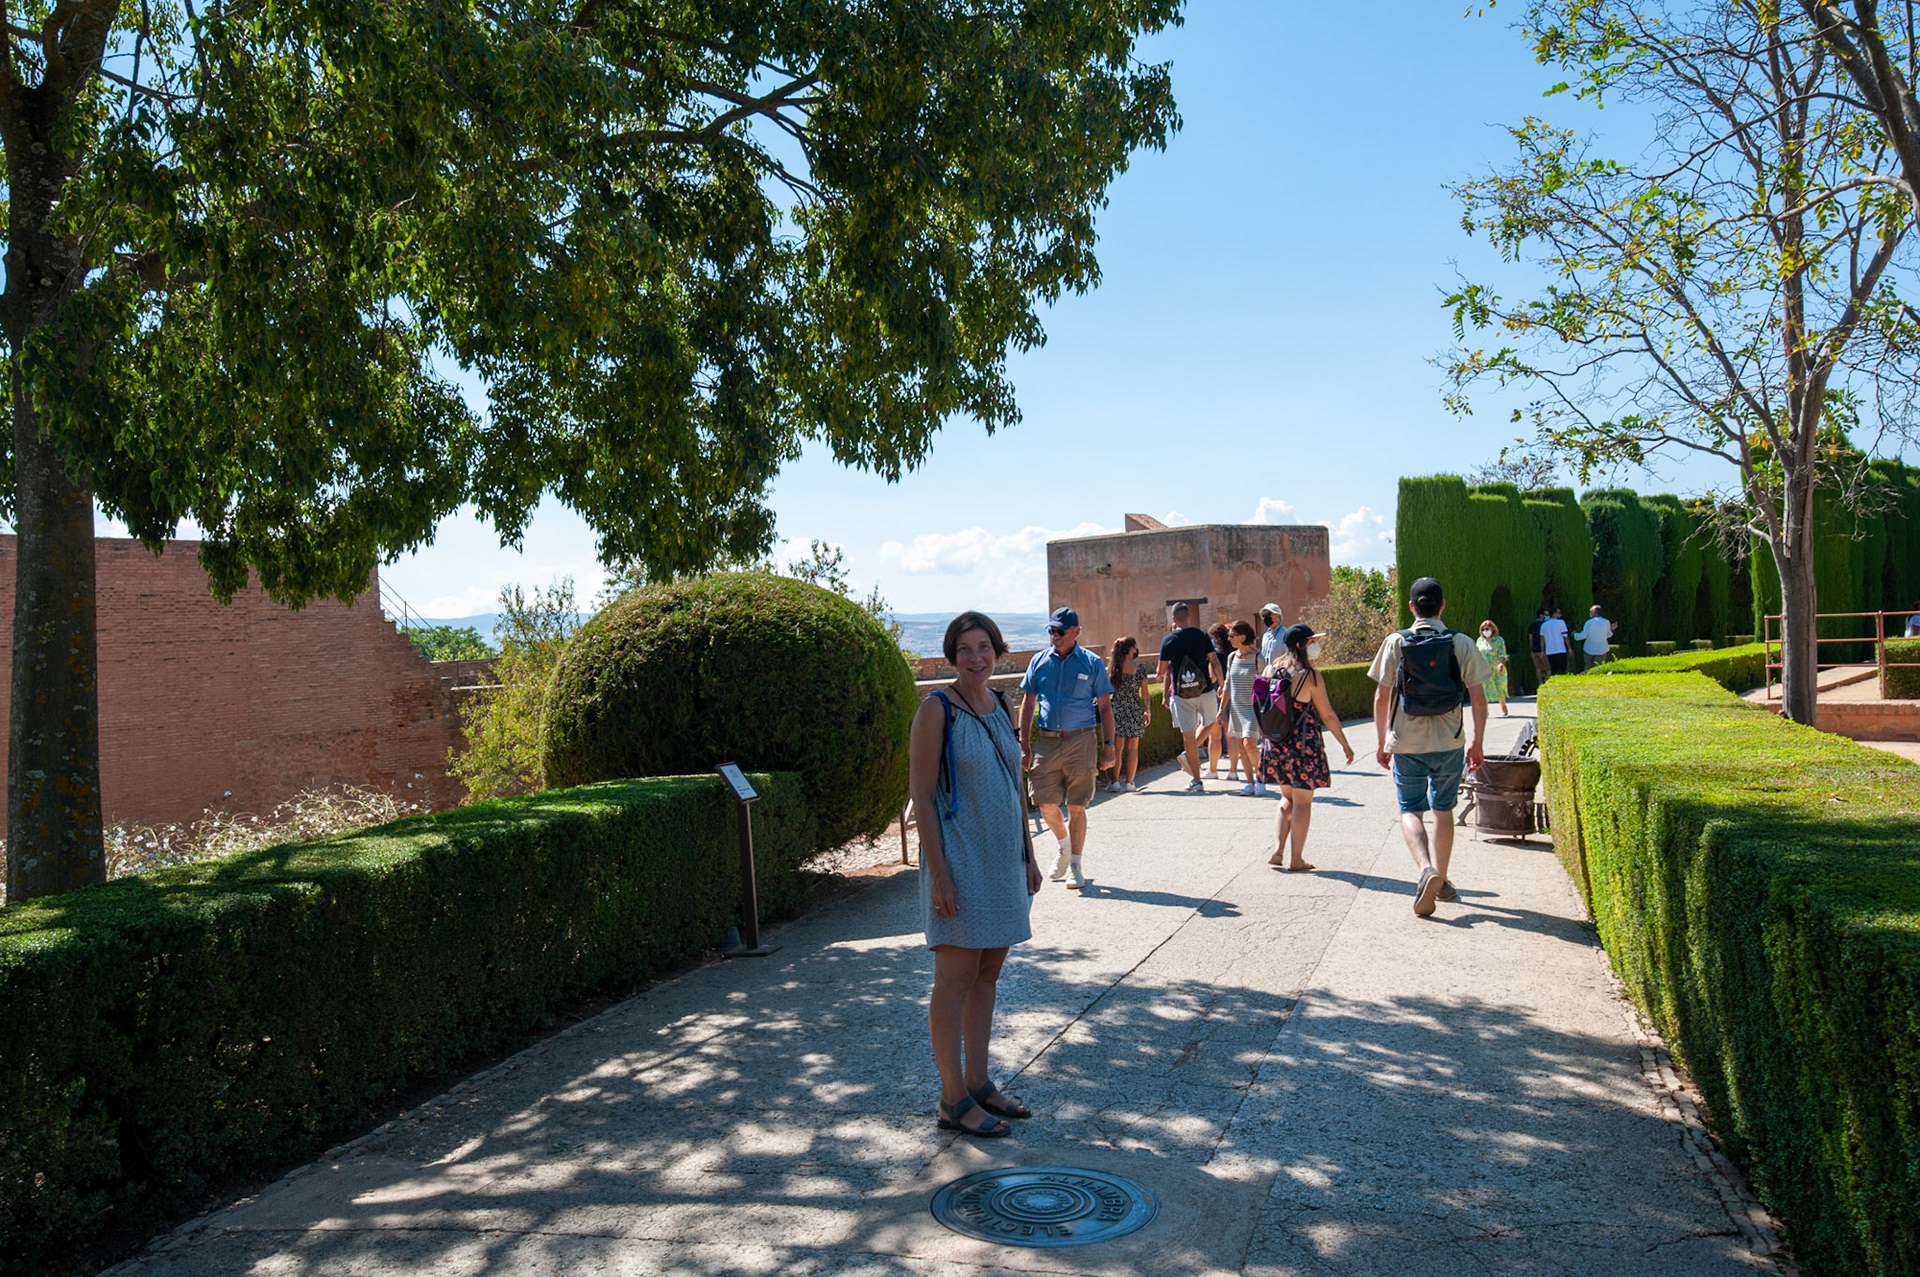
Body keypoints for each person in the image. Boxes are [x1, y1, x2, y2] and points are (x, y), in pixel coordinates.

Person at [910, 611, 1043, 1138]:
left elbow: (1015, 786)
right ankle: (952, 1100)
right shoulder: (936, 710)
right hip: (960, 860)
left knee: (988, 974)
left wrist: (1028, 855)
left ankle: (979, 1083)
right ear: (951, 656)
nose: (976, 657)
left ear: (998, 652)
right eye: (965, 649)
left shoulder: (1002, 704)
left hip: (1002, 859)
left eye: (984, 646)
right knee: (954, 979)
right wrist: (940, 876)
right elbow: (922, 797)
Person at [1368, 577, 1492, 918]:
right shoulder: (1461, 642)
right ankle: (1443, 877)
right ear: (1443, 605)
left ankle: (1425, 869)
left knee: (1410, 809)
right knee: (1443, 810)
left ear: (1411, 607)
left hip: (1406, 741)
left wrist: (1382, 742)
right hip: (1449, 741)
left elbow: (1381, 696)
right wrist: (1477, 742)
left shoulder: (1396, 642)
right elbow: (1478, 697)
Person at [1019, 606, 1116, 890]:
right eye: (1051, 630)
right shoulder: (1039, 661)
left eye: (1060, 631)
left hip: (1081, 740)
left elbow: (1106, 707)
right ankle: (1064, 846)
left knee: (1076, 806)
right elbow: (1028, 704)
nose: (1054, 635)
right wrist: (1024, 745)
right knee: (1045, 803)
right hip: (1047, 741)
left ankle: (1075, 865)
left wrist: (1109, 746)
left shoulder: (1092, 663)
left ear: (1076, 632)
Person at [1261, 624, 1355, 870]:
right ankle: (1296, 859)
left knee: (1286, 797)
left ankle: (1278, 849)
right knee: (1302, 801)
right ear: (1301, 645)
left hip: (1276, 743)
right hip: (1303, 746)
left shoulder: (1271, 669)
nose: (1315, 646)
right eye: (1312, 641)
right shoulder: (1310, 676)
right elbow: (1328, 715)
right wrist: (1345, 744)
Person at [1157, 602, 1224, 793]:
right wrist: (1221, 683)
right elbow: (1214, 660)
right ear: (1189, 616)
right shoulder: (1201, 635)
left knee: (1188, 736)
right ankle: (1191, 754)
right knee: (1211, 721)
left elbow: (1161, 671)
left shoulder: (1168, 640)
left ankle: (1196, 779)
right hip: (1205, 689)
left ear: (1173, 619)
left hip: (1182, 694)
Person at [1221, 620, 1263, 795]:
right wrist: (1221, 710)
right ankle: (1250, 783)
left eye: (1232, 635)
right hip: (1236, 708)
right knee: (1241, 747)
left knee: (1249, 744)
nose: (1229, 638)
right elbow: (1228, 684)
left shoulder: (1258, 658)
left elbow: (1265, 684)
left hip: (1253, 708)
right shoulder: (1232, 657)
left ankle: (1261, 778)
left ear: (1243, 637)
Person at [1104, 636, 1151, 792]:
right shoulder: (1139, 668)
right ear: (1130, 649)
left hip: (1117, 708)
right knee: (1133, 748)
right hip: (1134, 708)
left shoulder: (1114, 668)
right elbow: (1145, 694)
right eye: (1135, 647)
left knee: (1117, 748)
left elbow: (1108, 690)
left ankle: (1114, 782)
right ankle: (1130, 783)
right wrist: (1147, 710)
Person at [1207, 622, 1237, 780]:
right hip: (1232, 694)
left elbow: (1212, 677)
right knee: (1230, 735)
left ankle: (1213, 769)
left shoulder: (1215, 654)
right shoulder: (1233, 652)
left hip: (1216, 694)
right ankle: (1233, 771)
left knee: (1214, 736)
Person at [1477, 620, 1511, 716]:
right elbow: (1477, 654)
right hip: (1484, 670)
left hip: (1497, 669)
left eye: (1487, 628)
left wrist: (1501, 664)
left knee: (1499, 688)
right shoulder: (1480, 641)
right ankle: (1485, 711)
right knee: (1485, 690)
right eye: (1483, 629)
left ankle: (1503, 707)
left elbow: (1502, 654)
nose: (1485, 631)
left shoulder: (1499, 640)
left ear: (1492, 629)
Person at [1573, 605, 1618, 671]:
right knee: (1597, 669)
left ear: (1594, 612)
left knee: (1587, 668)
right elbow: (1607, 635)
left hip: (1589, 648)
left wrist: (1575, 635)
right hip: (1602, 649)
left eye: (1591, 611)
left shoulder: (1589, 622)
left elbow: (1584, 635)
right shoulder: (1606, 622)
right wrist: (1611, 630)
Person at [1540, 606, 1572, 678]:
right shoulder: (1561, 622)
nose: (1560, 615)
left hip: (1550, 651)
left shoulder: (1544, 625)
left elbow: (1542, 639)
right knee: (1562, 670)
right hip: (1560, 649)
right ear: (1555, 614)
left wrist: (1542, 650)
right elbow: (1565, 636)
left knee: (1553, 670)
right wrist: (1569, 648)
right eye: (1559, 613)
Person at [1258, 602, 1287, 668]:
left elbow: (1288, 656)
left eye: (1268, 614)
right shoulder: (1265, 636)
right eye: (1264, 615)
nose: (1266, 617)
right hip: (1266, 673)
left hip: (1280, 672)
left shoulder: (1285, 634)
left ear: (1278, 616)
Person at [1527, 607, 1551, 687]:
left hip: (1534, 650)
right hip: (1543, 650)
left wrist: (1531, 650)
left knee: (1538, 668)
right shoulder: (1545, 625)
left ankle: (1540, 684)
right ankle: (1545, 684)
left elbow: (1531, 639)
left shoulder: (1532, 625)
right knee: (1549, 669)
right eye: (1546, 615)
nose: (1547, 616)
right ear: (1541, 615)